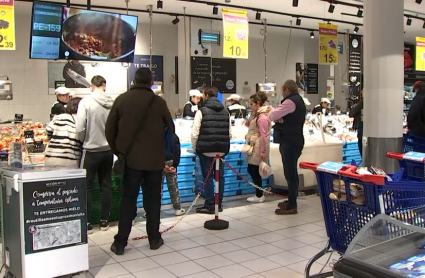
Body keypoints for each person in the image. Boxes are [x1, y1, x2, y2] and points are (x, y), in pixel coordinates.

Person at [105, 68, 174, 255]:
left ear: (134, 80)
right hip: (154, 162)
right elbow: (171, 128)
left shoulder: (122, 100)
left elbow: (109, 129)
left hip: (130, 161)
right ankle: (154, 239)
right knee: (152, 201)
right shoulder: (159, 102)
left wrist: (118, 151)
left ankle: (120, 243)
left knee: (128, 201)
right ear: (151, 81)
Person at [76, 75, 114, 234]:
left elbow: (79, 127)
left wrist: (83, 140)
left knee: (87, 186)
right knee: (106, 185)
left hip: (91, 150)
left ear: (92, 86)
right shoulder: (112, 103)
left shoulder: (85, 102)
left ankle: (88, 223)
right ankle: (105, 221)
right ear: (104, 86)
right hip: (108, 150)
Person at [191, 85, 231, 214]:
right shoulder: (226, 111)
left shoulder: (201, 111)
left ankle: (209, 204)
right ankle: (218, 204)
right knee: (220, 177)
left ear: (206, 95)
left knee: (207, 177)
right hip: (221, 150)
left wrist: (195, 148)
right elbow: (229, 132)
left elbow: (195, 133)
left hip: (206, 150)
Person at [269, 80, 306, 215]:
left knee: (290, 173)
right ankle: (291, 199)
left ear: (285, 89)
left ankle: (292, 204)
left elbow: (273, 115)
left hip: (290, 141)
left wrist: (274, 112)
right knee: (291, 172)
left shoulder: (290, 102)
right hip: (295, 140)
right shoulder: (298, 100)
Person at [244, 92, 271, 203]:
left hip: (258, 146)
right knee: (253, 169)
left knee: (254, 170)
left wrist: (263, 151)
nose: (250, 106)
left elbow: (263, 134)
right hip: (255, 145)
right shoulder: (256, 115)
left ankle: (259, 195)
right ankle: (259, 194)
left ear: (258, 103)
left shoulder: (262, 117)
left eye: (251, 104)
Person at [45, 97, 83, 168]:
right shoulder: (80, 121)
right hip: (70, 161)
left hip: (51, 159)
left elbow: (48, 130)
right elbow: (82, 139)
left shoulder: (59, 117)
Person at [349, 90, 364, 157]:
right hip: (367, 129)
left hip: (362, 128)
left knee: (362, 149)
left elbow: (351, 113)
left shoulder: (362, 102)